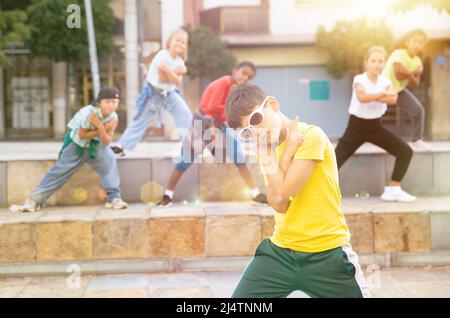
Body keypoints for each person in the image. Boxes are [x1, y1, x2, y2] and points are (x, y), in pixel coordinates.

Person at [225, 84, 370, 298]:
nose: (256, 131)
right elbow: (279, 204)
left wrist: (270, 156)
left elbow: (284, 191)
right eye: (247, 131)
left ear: (272, 105)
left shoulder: (311, 136)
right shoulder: (269, 152)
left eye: (256, 119)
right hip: (280, 253)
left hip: (327, 254)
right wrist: (278, 155)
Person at [157, 61, 267, 207]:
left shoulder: (233, 88)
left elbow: (222, 114)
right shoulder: (224, 83)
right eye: (244, 73)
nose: (246, 78)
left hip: (218, 124)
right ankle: (167, 196)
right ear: (235, 70)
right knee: (185, 161)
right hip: (202, 124)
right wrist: (230, 111)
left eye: (249, 77)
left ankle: (255, 194)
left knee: (239, 156)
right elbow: (211, 108)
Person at [15, 86, 128, 213]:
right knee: (59, 171)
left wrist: (101, 128)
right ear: (99, 102)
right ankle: (34, 200)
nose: (110, 105)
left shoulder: (113, 117)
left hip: (96, 146)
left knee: (110, 161)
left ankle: (114, 198)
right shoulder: (89, 113)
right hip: (77, 146)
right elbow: (82, 135)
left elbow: (107, 141)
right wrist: (101, 127)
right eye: (107, 102)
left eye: (114, 102)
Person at [335, 46, 415, 202]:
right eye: (373, 61)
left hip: (375, 127)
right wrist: (382, 94)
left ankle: (393, 189)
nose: (377, 64)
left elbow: (393, 99)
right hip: (355, 127)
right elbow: (362, 98)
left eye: (380, 61)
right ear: (366, 62)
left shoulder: (386, 81)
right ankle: (317, 192)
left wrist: (373, 95)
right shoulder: (359, 79)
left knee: (405, 152)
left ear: (384, 63)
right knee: (333, 160)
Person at [111, 28, 192, 156]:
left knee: (185, 114)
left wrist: (168, 70)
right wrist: (177, 72)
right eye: (177, 40)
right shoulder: (162, 55)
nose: (180, 44)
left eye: (183, 42)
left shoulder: (180, 61)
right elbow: (162, 78)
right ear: (169, 42)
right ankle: (121, 147)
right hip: (153, 93)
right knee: (141, 119)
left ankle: (187, 146)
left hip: (170, 94)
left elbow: (177, 82)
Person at [382, 29, 430, 151]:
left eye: (420, 42)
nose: (417, 44)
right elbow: (398, 74)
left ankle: (416, 140)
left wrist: (408, 74)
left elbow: (415, 84)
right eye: (414, 41)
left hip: (398, 91)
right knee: (373, 115)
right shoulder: (398, 53)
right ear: (407, 42)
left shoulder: (418, 61)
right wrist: (413, 73)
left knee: (418, 110)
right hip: (383, 88)